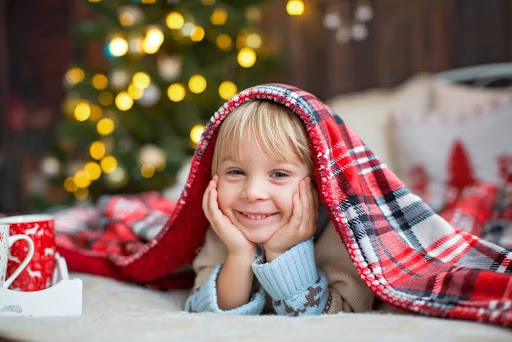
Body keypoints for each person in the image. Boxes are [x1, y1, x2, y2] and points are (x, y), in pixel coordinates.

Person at [184, 99, 374, 315]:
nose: (253, 193)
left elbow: (339, 320)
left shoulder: (343, 236)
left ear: (319, 183)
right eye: (236, 172)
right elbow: (203, 312)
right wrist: (239, 254)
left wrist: (280, 252)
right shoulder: (224, 229)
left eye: (279, 174)